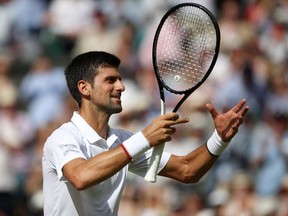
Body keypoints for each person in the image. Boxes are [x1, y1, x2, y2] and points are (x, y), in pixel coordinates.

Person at [42, 51, 249, 216]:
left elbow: (188, 170)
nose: (121, 87)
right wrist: (144, 138)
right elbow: (81, 176)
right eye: (110, 80)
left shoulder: (123, 140)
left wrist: (219, 139)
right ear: (84, 88)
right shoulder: (62, 137)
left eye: (120, 79)